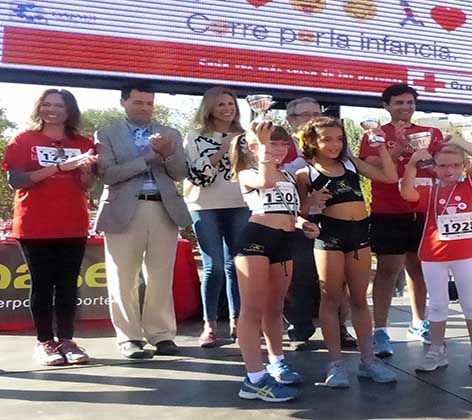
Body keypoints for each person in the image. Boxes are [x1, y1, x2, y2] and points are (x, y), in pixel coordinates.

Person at [296, 116, 398, 387]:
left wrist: (381, 147)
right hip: (329, 237)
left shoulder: (351, 163)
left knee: (360, 300)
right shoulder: (305, 172)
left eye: (339, 139)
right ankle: (336, 363)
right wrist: (310, 201)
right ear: (312, 142)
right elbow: (297, 212)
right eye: (326, 139)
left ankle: (369, 360)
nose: (334, 144)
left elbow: (389, 177)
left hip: (359, 236)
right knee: (330, 299)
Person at [94, 85, 191, 358]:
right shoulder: (106, 133)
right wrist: (147, 158)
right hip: (123, 209)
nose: (145, 108)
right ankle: (129, 337)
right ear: (123, 102)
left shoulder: (170, 133)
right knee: (123, 277)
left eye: (149, 103)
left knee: (160, 275)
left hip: (163, 208)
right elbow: (108, 174)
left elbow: (180, 174)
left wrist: (168, 154)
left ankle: (161, 334)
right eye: (138, 102)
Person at [2, 88, 97, 365]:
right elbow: (16, 181)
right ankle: (45, 342)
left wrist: (86, 172)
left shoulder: (83, 142)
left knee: (68, 285)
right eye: (47, 104)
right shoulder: (23, 139)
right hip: (35, 224)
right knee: (42, 285)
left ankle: (67, 340)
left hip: (73, 223)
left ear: (70, 111)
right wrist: (58, 168)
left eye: (59, 105)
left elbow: (87, 186)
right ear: (39, 108)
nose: (52, 110)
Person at [231, 122, 319, 402]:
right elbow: (265, 183)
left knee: (275, 308)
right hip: (256, 239)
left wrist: (305, 223)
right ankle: (254, 378)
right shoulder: (249, 172)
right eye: (272, 143)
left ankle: (276, 361)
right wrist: (263, 149)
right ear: (255, 147)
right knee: (252, 309)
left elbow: (289, 212)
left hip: (284, 242)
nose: (279, 149)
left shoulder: (288, 176)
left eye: (282, 144)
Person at [358, 83, 444, 357]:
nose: (405, 108)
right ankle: (380, 331)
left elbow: (439, 169)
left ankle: (419, 323)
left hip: (423, 210)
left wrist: (423, 157)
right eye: (399, 103)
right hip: (388, 210)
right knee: (387, 270)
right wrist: (397, 148)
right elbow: (371, 169)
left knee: (419, 270)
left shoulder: (431, 133)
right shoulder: (376, 135)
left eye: (409, 102)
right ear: (387, 106)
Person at [400, 136, 472, 374]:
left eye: (455, 165)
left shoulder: (471, 185)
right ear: (434, 168)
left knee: (471, 303)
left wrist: (457, 140)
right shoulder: (430, 190)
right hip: (434, 254)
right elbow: (407, 193)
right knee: (438, 304)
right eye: (443, 165)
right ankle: (436, 350)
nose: (449, 170)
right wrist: (412, 163)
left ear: (464, 166)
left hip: (465, 253)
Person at [283, 97, 357, 349]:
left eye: (318, 112)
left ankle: (340, 328)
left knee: (338, 281)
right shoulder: (283, 144)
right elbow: (278, 175)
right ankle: (300, 327)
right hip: (298, 217)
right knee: (301, 275)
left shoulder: (334, 145)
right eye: (306, 114)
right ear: (291, 120)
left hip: (334, 220)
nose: (313, 118)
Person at [184, 87, 250, 347]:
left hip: (239, 203)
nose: (227, 108)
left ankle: (239, 321)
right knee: (214, 267)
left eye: (231, 103)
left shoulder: (246, 135)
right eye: (221, 104)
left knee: (238, 265)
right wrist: (224, 147)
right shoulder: (195, 137)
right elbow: (199, 175)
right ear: (209, 107)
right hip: (204, 205)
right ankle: (209, 325)